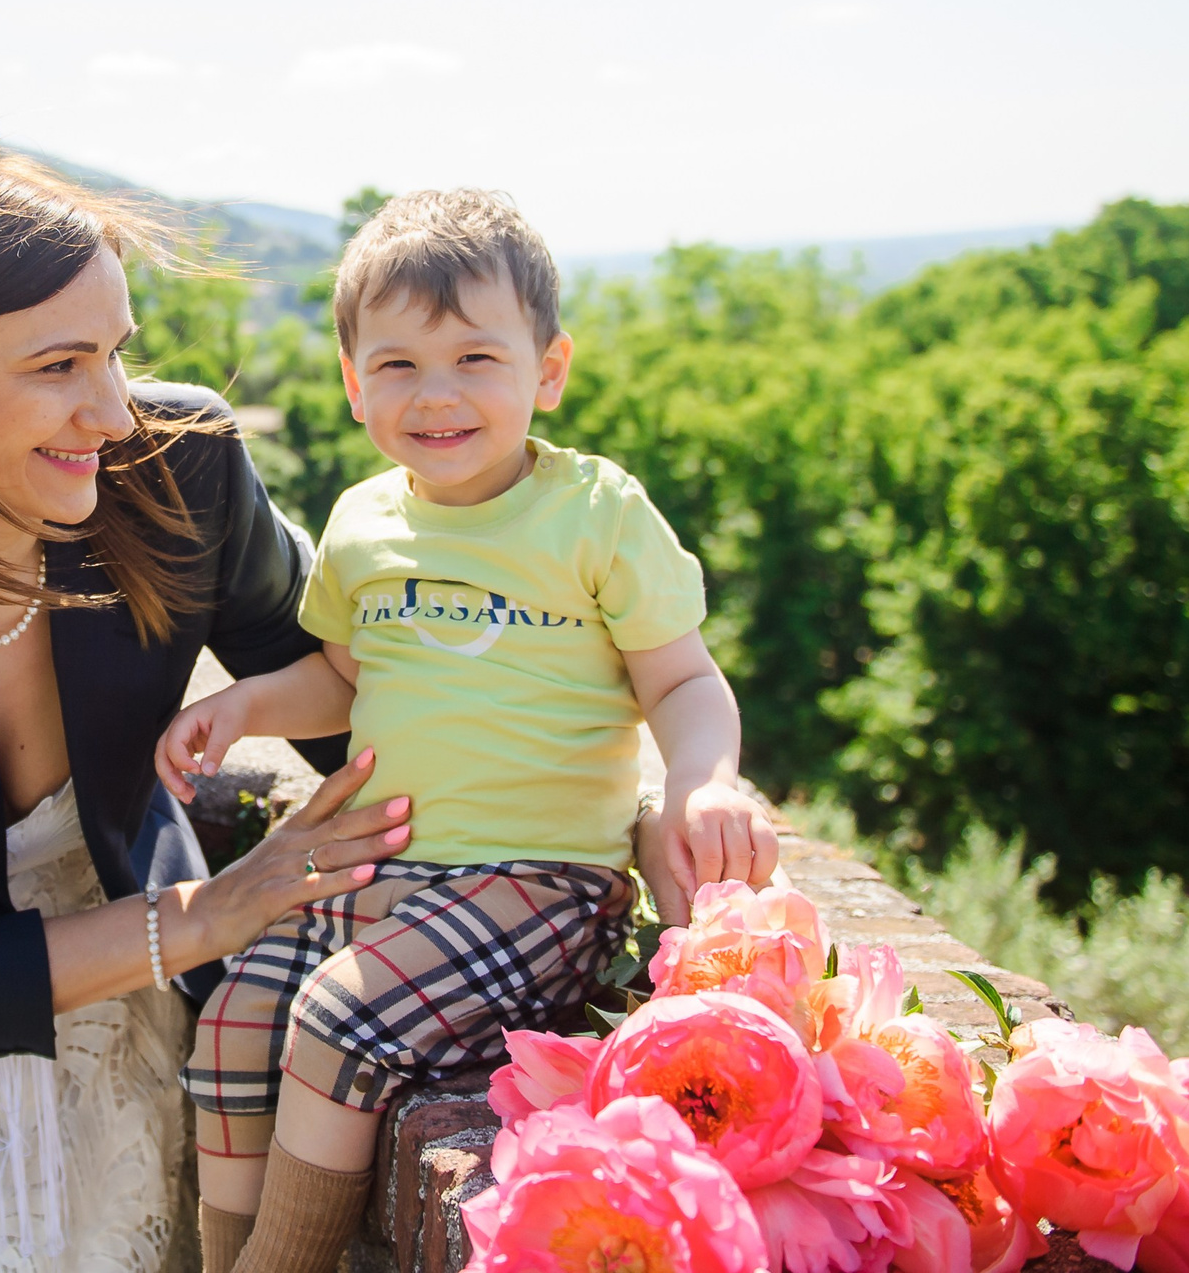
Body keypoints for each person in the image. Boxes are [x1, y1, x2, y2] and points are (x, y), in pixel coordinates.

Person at [0, 159, 694, 1273]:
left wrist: (606, 811)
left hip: (126, 1025)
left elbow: (372, 681)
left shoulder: (177, 469)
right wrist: (206, 918)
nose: (110, 411)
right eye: (57, 366)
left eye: (117, 352)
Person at [154, 188, 782, 1273]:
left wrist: (703, 780)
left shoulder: (594, 514)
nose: (434, 395)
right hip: (374, 867)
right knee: (230, 1027)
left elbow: (681, 679)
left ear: (549, 369)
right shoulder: (363, 521)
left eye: (474, 361)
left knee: (337, 1028)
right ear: (353, 384)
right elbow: (349, 679)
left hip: (538, 882)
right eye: (395, 365)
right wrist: (245, 705)